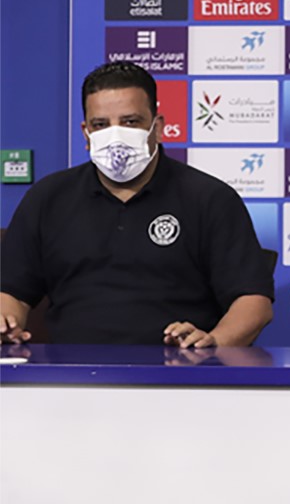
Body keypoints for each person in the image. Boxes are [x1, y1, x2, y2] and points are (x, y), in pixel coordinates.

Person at [0, 61, 275, 347]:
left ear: (157, 127)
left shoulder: (210, 198)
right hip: (71, 377)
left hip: (182, 376)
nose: (115, 135)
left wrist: (213, 343)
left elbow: (253, 302)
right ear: (86, 133)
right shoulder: (48, 197)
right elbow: (12, 292)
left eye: (130, 122)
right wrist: (6, 323)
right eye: (100, 125)